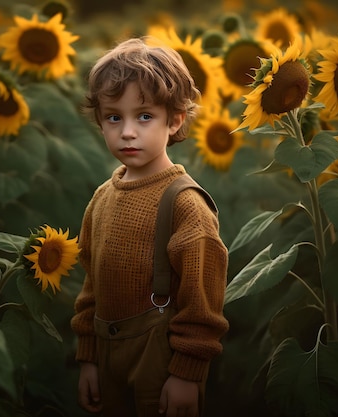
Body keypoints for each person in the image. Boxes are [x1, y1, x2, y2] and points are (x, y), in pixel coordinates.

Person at [70, 37, 229, 417]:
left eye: (144, 116)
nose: (127, 131)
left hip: (162, 364)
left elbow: (202, 298)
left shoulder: (185, 204)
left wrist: (188, 374)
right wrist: (89, 358)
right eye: (114, 117)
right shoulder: (103, 197)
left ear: (174, 120)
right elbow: (91, 285)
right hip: (107, 354)